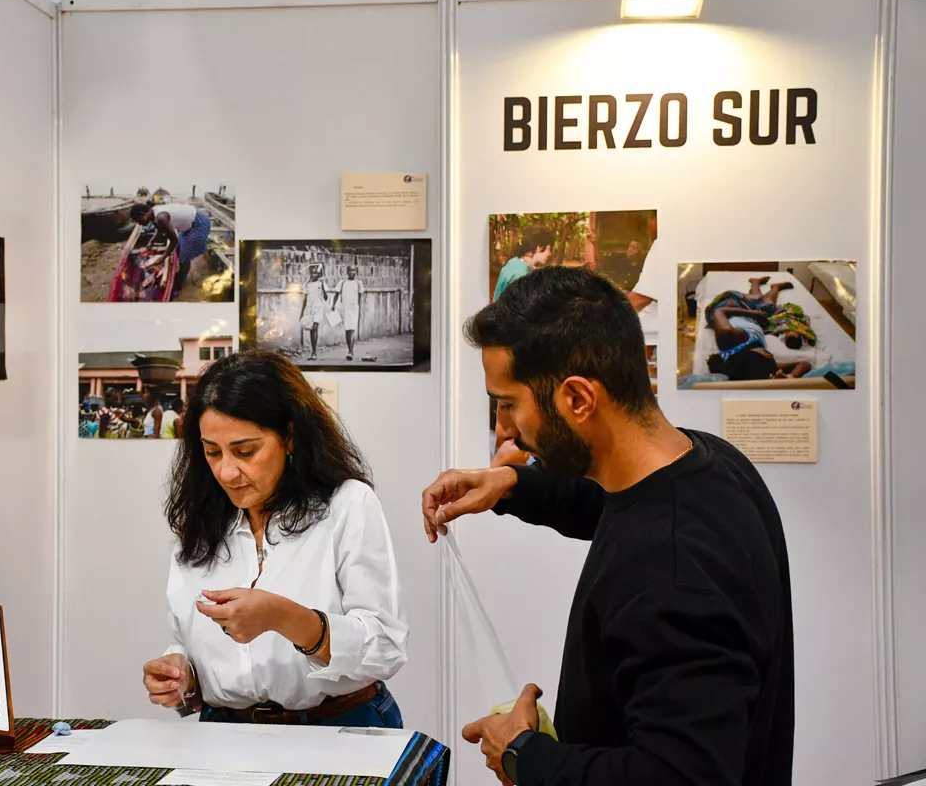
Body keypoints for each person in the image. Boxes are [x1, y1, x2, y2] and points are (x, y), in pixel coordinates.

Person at [421, 267, 794, 786]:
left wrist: (524, 754)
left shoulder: (671, 569)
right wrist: (510, 484)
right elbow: (612, 504)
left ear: (577, 399)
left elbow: (684, 777)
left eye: (508, 404)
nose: (505, 428)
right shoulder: (708, 463)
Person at [142, 350, 407, 727]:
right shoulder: (202, 522)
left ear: (289, 437)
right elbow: (189, 641)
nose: (227, 471)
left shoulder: (347, 505)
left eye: (245, 451)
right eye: (212, 452)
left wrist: (285, 618)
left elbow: (385, 647)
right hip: (226, 733)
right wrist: (181, 673)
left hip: (339, 727)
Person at [129, 201, 213, 296]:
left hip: (198, 224)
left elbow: (174, 240)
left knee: (184, 256)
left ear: (143, 214)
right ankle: (180, 271)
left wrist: (163, 257)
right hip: (190, 223)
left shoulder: (161, 217)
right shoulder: (153, 213)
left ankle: (181, 281)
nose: (139, 224)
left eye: (138, 220)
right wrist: (151, 242)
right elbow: (160, 230)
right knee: (178, 250)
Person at [493, 227, 554, 302]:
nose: (550, 254)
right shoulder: (522, 274)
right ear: (539, 248)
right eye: (549, 249)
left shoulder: (514, 261)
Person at [331, 265, 365, 360]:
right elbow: (336, 294)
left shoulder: (359, 283)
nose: (351, 272)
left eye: (353, 270)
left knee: (352, 329)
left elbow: (360, 297)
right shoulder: (342, 282)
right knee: (347, 330)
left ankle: (350, 351)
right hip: (344, 308)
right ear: (347, 272)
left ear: (356, 272)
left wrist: (360, 308)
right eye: (350, 270)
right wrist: (333, 305)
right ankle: (350, 350)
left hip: (354, 308)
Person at [299, 264, 329, 361]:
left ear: (319, 273)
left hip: (318, 308)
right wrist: (301, 312)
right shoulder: (308, 284)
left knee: (315, 327)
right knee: (312, 329)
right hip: (309, 308)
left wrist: (323, 287)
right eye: (312, 272)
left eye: (316, 272)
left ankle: (314, 352)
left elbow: (326, 297)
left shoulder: (321, 283)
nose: (314, 274)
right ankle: (313, 351)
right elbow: (305, 299)